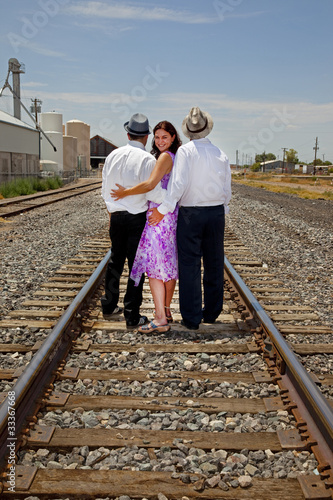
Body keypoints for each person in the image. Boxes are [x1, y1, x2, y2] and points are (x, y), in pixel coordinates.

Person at [149, 107, 232, 330]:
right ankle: (212, 312)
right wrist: (221, 212)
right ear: (206, 129)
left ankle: (192, 318)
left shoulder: (186, 152)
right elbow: (227, 189)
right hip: (215, 213)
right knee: (214, 263)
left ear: (187, 131)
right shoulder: (220, 153)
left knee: (190, 265)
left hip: (190, 214)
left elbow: (178, 185)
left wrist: (163, 209)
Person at [111, 121, 182, 333]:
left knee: (154, 268)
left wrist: (125, 192)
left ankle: (160, 318)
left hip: (158, 217)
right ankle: (166, 310)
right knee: (168, 266)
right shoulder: (175, 157)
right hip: (169, 215)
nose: (160, 141)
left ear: (173, 138)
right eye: (157, 137)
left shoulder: (164, 157)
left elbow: (150, 185)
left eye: (164, 137)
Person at [101, 113, 165, 328]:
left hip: (116, 216)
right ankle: (131, 314)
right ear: (146, 137)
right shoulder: (148, 159)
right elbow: (153, 193)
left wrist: (112, 214)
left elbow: (105, 191)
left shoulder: (112, 156)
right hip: (136, 219)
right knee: (136, 266)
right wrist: (171, 200)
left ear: (127, 133)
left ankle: (108, 305)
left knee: (115, 261)